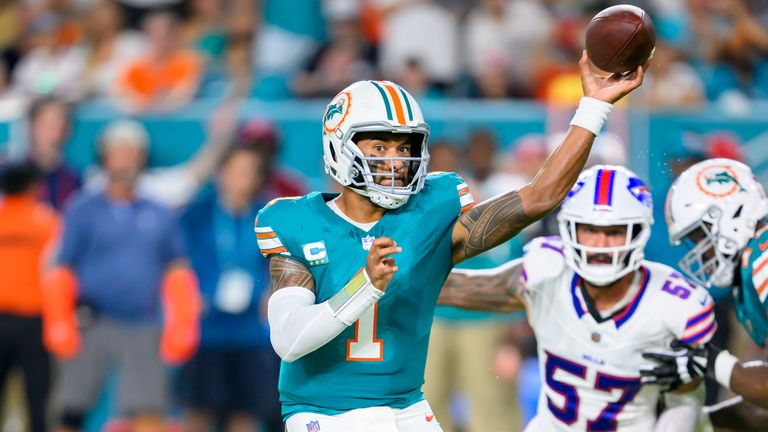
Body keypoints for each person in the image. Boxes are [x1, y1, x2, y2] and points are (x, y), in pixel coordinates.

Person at [256, 51, 646, 431]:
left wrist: (593, 106)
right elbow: (289, 340)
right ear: (339, 147)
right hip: (326, 414)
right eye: (379, 147)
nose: (395, 161)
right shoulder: (297, 222)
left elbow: (539, 197)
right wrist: (366, 286)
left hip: (407, 406)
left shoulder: (430, 212)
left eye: (403, 147)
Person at [437, 165, 715, 432]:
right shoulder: (545, 269)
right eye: (590, 229)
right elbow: (460, 288)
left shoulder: (676, 305)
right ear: (569, 228)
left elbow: (687, 399)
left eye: (614, 232)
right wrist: (397, 279)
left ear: (638, 232)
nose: (600, 245)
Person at [44, 120, 201, 432]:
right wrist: (58, 319)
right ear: (104, 156)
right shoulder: (82, 208)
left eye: (133, 152)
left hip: (141, 322)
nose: (126, 159)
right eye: (119, 152)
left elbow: (177, 269)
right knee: (70, 407)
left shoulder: (159, 212)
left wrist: (183, 321)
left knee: (148, 409)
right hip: (90, 320)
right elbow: (61, 267)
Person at [639, 158, 768, 430]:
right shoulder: (752, 264)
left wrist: (709, 360)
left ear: (730, 218)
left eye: (699, 237)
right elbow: (761, 412)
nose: (699, 251)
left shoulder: (763, 262)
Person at [179, 145, 281, 432]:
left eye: (249, 172)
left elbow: (282, 262)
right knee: (199, 412)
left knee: (246, 413)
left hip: (252, 333)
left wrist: (272, 288)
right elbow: (177, 259)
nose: (241, 179)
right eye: (235, 171)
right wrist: (188, 293)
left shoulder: (268, 216)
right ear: (221, 173)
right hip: (206, 331)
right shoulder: (197, 214)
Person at [0, 161, 60, 432]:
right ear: (34, 187)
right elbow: (58, 269)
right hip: (33, 320)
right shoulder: (45, 221)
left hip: (6, 317)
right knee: (39, 397)